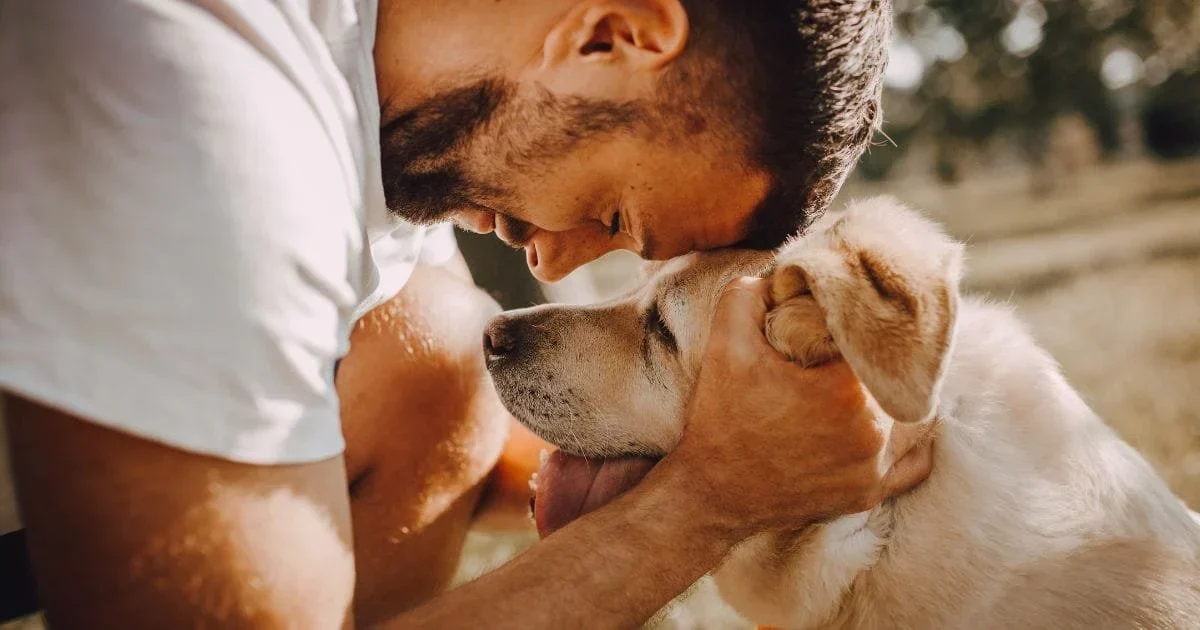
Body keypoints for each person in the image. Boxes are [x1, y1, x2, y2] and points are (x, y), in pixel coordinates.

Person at [0, 0, 931, 627]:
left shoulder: (371, 96)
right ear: (613, 33)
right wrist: (710, 502)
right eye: (611, 215)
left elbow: (457, 438)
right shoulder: (208, 109)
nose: (554, 258)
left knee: (435, 355)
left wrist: (744, 443)